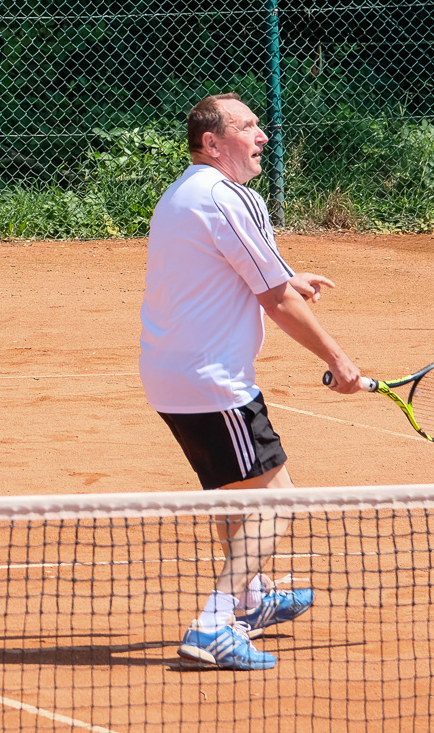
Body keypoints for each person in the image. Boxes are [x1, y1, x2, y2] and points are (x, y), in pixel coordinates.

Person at [139, 93, 365, 670]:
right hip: (214, 382)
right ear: (213, 144)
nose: (262, 135)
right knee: (275, 501)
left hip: (173, 375)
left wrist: (289, 276)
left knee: (234, 494)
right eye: (248, 127)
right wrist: (341, 361)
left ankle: (251, 598)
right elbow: (275, 299)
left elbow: (249, 270)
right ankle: (214, 623)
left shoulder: (187, 192)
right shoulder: (224, 196)